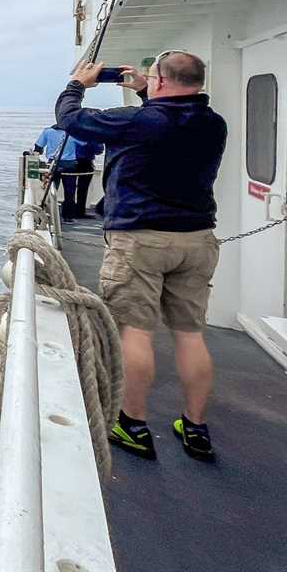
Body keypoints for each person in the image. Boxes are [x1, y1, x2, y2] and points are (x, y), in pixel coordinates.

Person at [56, 51, 227, 463]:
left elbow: (71, 119)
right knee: (190, 334)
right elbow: (170, 118)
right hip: (197, 238)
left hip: (140, 239)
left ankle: (132, 425)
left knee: (136, 332)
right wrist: (148, 90)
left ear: (162, 82)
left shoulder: (138, 121)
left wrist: (78, 84)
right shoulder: (213, 123)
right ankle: (195, 427)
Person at [32, 124, 84, 220]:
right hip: (70, 164)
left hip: (53, 163)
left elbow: (38, 147)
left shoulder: (48, 131)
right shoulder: (74, 133)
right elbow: (85, 144)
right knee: (70, 192)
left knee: (50, 190)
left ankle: (49, 214)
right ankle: (68, 216)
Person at [74, 137, 104, 218]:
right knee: (83, 188)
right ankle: (80, 211)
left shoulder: (72, 133)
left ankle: (69, 210)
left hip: (71, 160)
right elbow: (99, 150)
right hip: (85, 162)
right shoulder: (91, 135)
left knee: (70, 186)